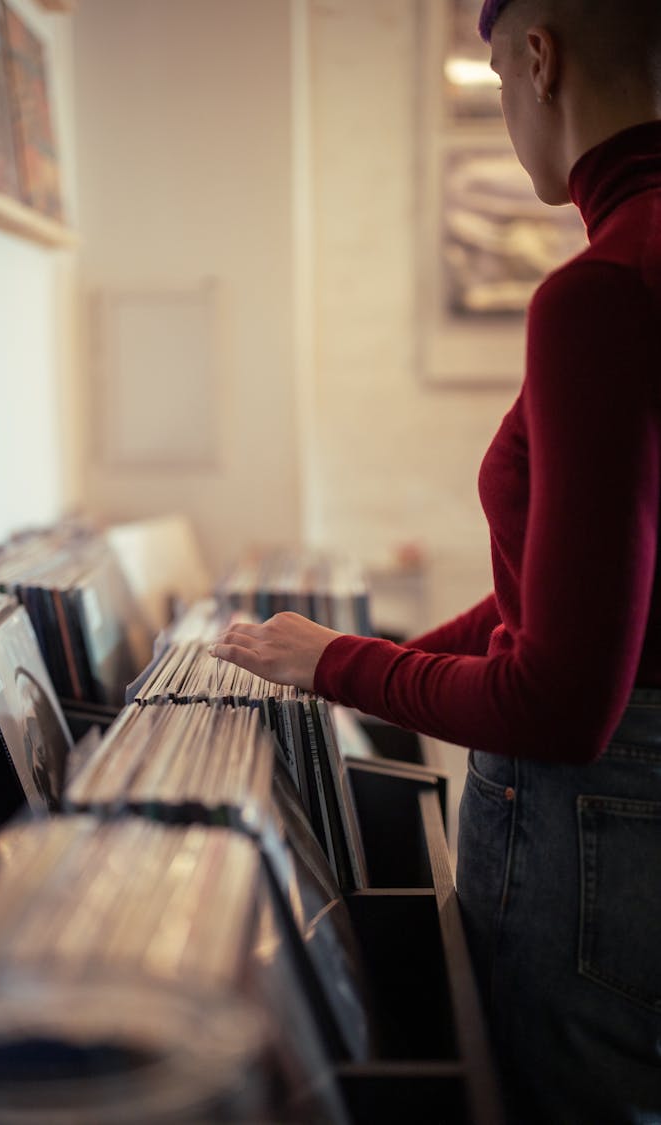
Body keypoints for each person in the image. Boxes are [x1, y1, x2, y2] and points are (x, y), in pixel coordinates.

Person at [210, 0, 661, 1120]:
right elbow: (564, 602)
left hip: (598, 849)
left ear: (540, 58)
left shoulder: (598, 295)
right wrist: (361, 654)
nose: (507, 103)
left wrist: (337, 669)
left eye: (498, 70)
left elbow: (561, 700)